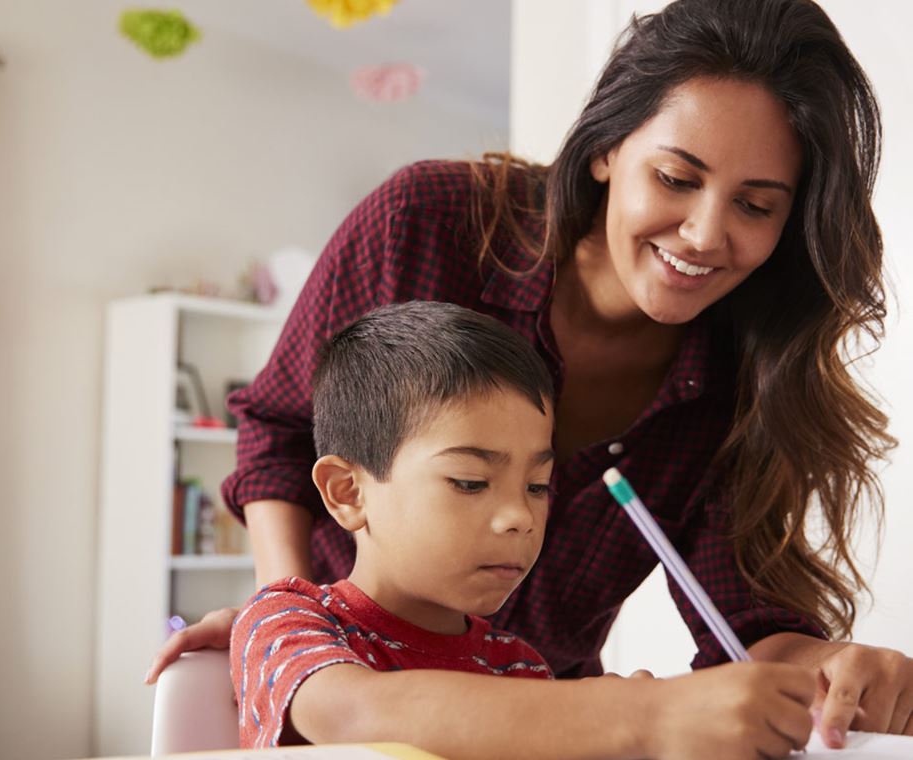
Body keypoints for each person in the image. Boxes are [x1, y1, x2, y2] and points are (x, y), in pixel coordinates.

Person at [149, 0, 913, 751]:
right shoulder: (426, 223)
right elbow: (280, 433)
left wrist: (831, 673)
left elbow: (746, 630)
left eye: (754, 204)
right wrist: (285, 607)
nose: (706, 233)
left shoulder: (742, 384)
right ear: (607, 149)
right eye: (677, 178)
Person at [232, 300, 817, 759]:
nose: (521, 515)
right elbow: (358, 717)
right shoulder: (288, 620)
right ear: (348, 492)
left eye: (538, 487)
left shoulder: (517, 666)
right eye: (469, 481)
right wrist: (643, 712)